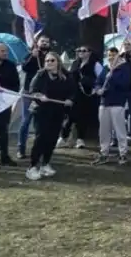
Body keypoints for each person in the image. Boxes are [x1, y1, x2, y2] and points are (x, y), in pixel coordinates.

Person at [26, 52, 76, 181]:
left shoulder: (66, 76)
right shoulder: (40, 75)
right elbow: (32, 91)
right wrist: (39, 96)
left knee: (52, 138)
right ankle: (32, 167)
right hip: (41, 111)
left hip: (58, 111)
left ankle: (45, 164)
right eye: (47, 60)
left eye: (52, 60)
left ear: (58, 62)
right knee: (40, 138)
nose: (49, 62)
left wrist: (70, 99)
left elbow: (72, 91)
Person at [93, 48, 131, 165]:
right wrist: (98, 89)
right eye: (109, 55)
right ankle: (104, 152)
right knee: (104, 130)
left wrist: (112, 77)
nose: (110, 57)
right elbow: (98, 82)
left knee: (120, 129)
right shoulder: (106, 68)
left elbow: (125, 84)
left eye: (113, 55)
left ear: (118, 56)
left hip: (117, 103)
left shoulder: (124, 68)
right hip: (104, 102)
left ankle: (123, 153)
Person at [59, 45, 100, 149]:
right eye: (79, 50)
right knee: (69, 117)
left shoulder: (95, 64)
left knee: (83, 118)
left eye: (83, 50)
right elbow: (69, 77)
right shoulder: (75, 63)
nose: (80, 52)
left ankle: (80, 139)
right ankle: (63, 137)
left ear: (89, 52)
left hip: (87, 95)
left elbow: (100, 79)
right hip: (74, 94)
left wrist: (90, 83)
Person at [18, 35, 50, 158]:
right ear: (37, 42)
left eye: (47, 41)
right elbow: (24, 68)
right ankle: (21, 149)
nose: (45, 43)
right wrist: (33, 57)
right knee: (26, 121)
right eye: (43, 41)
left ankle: (40, 148)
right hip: (29, 93)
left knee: (42, 122)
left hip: (45, 94)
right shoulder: (31, 55)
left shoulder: (50, 57)